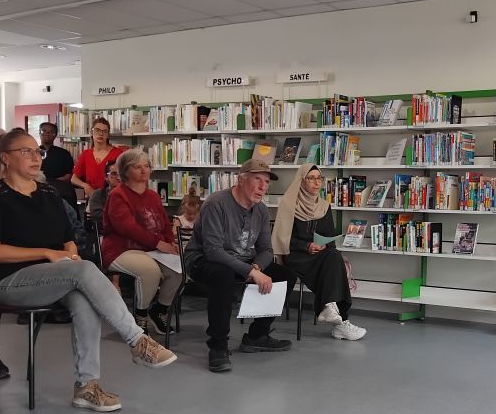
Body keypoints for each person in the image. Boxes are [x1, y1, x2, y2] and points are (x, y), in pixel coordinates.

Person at [0, 129, 177, 413]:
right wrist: (47, 253)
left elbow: (68, 236)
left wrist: (70, 253)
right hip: (9, 281)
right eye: (26, 151)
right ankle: (137, 339)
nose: (35, 157)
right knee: (83, 272)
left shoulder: (48, 193)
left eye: (37, 152)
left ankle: (87, 387)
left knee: (83, 297)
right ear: (5, 158)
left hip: (55, 276)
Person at [185, 159, 293, 373]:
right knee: (223, 275)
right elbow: (213, 251)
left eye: (266, 182)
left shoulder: (260, 210)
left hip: (242, 260)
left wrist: (256, 268)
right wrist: (250, 271)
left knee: (286, 275)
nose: (263, 187)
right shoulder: (216, 203)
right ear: (241, 179)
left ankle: (256, 336)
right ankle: (218, 346)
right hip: (202, 260)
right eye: (258, 180)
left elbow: (266, 251)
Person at [272, 164, 366, 341]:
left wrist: (324, 245)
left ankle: (331, 309)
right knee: (333, 262)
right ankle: (340, 320)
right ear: (301, 181)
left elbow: (329, 237)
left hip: (319, 256)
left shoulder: (323, 206)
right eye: (311, 178)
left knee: (333, 255)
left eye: (319, 178)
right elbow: (282, 238)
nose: (317, 182)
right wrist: (306, 246)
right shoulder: (288, 204)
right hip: (295, 256)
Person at [102, 149, 182, 335]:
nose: (144, 170)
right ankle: (140, 315)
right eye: (137, 167)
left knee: (179, 269)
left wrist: (171, 244)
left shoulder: (153, 196)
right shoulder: (118, 195)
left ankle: (159, 310)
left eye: (146, 166)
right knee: (149, 271)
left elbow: (163, 224)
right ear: (125, 171)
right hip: (120, 250)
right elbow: (127, 227)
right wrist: (158, 243)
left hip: (150, 249)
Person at [71, 117, 123, 200]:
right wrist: (85, 186)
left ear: (108, 135)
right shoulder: (86, 154)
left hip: (113, 196)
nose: (101, 134)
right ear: (92, 132)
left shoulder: (118, 153)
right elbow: (74, 178)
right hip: (92, 197)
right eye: (97, 130)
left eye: (104, 131)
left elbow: (125, 177)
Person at [87, 160, 120, 229]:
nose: (118, 177)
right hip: (105, 232)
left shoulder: (131, 195)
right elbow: (98, 216)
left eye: (121, 174)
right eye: (114, 174)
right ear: (106, 177)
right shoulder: (98, 194)